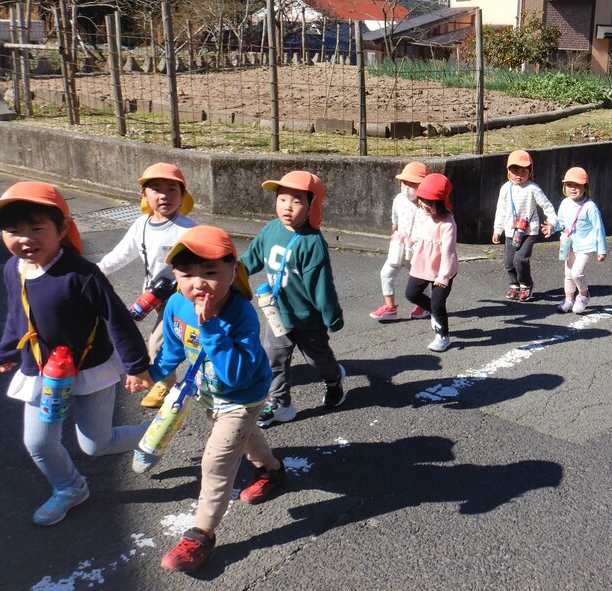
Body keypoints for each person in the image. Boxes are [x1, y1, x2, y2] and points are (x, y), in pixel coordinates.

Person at [0, 182, 151, 526]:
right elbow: (18, 316)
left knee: (97, 444)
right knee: (39, 443)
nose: (24, 238)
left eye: (36, 228)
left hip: (92, 369)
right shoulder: (13, 269)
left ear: (62, 229)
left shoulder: (82, 274)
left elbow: (116, 319)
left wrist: (136, 366)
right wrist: (5, 351)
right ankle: (70, 488)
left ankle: (159, 432)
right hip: (42, 373)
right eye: (12, 230)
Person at [133, 226, 286, 573]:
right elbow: (172, 353)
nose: (198, 283)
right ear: (174, 275)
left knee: (216, 460)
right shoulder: (176, 303)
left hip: (243, 395)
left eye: (211, 273)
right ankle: (273, 472)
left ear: (233, 270)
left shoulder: (239, 313)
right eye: (187, 274)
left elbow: (235, 376)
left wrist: (212, 329)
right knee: (245, 439)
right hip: (207, 393)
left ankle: (201, 535)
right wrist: (149, 375)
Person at [241, 171, 345, 427]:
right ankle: (279, 403)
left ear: (313, 206)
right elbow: (251, 258)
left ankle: (333, 379)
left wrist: (332, 317)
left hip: (307, 319)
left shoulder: (312, 243)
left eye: (297, 201)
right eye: (282, 199)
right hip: (276, 312)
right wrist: (231, 272)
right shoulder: (271, 229)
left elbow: (321, 286)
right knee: (273, 358)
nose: (287, 207)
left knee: (317, 359)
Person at [97, 162, 196, 408]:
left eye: (173, 190)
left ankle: (165, 383)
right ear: (143, 195)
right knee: (165, 339)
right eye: (156, 189)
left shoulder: (189, 230)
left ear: (183, 195)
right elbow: (120, 254)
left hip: (181, 299)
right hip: (152, 297)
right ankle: (188, 375)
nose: (164, 196)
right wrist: (94, 273)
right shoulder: (141, 225)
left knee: (158, 342)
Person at [370, 161, 432, 322]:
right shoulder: (398, 199)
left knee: (420, 280)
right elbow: (394, 215)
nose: (408, 188)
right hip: (399, 247)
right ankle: (390, 307)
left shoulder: (426, 204)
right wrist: (395, 225)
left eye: (413, 184)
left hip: (418, 250)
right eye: (405, 183)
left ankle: (423, 305)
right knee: (386, 273)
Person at [492, 150, 556, 302]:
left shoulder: (533, 188)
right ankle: (515, 285)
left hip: (529, 230)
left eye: (523, 170)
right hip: (511, 231)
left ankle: (526, 284)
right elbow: (500, 210)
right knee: (508, 262)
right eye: (515, 170)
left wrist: (552, 222)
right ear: (508, 171)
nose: (519, 174)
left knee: (520, 259)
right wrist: (497, 230)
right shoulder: (505, 188)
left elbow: (547, 206)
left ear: (530, 171)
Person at [405, 174, 459, 352]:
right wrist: (412, 239)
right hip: (423, 263)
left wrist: (443, 276)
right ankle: (435, 313)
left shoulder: (448, 223)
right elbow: (421, 230)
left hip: (443, 269)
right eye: (422, 199)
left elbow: (448, 252)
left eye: (430, 201)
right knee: (411, 294)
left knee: (437, 303)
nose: (424, 204)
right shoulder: (423, 213)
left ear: (442, 202)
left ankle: (443, 335)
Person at [543, 167, 607, 314]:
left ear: (585, 187)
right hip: (569, 245)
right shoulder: (565, 203)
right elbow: (561, 223)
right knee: (568, 273)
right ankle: (568, 299)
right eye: (569, 185)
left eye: (577, 185)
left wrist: (602, 250)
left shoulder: (590, 207)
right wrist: (551, 227)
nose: (573, 188)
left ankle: (583, 296)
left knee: (577, 273)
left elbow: (599, 229)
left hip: (586, 246)